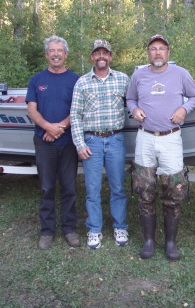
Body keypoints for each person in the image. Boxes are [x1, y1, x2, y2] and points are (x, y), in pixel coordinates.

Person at [126, 34, 195, 261]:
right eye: (153, 48)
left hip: (171, 138)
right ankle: (149, 240)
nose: (157, 52)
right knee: (144, 187)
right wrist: (134, 110)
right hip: (145, 138)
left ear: (168, 52)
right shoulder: (139, 75)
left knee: (173, 189)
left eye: (162, 48)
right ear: (147, 53)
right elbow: (130, 99)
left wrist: (184, 109)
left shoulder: (181, 74)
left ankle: (170, 242)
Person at [70, 39, 130, 250]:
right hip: (92, 142)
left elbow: (134, 103)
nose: (101, 56)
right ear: (92, 57)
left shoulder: (123, 79)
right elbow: (75, 115)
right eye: (97, 53)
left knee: (118, 187)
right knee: (92, 189)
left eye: (105, 53)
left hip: (115, 140)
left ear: (111, 57)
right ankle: (94, 230)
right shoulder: (82, 82)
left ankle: (120, 226)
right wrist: (79, 143)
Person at [26, 35, 80, 250]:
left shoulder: (76, 80)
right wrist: (48, 127)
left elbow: (77, 110)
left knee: (69, 187)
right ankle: (47, 231)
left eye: (60, 50)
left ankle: (69, 228)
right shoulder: (36, 80)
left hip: (68, 143)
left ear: (66, 55)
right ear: (46, 54)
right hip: (44, 143)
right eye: (52, 50)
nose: (56, 54)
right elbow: (32, 110)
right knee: (47, 187)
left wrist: (59, 128)